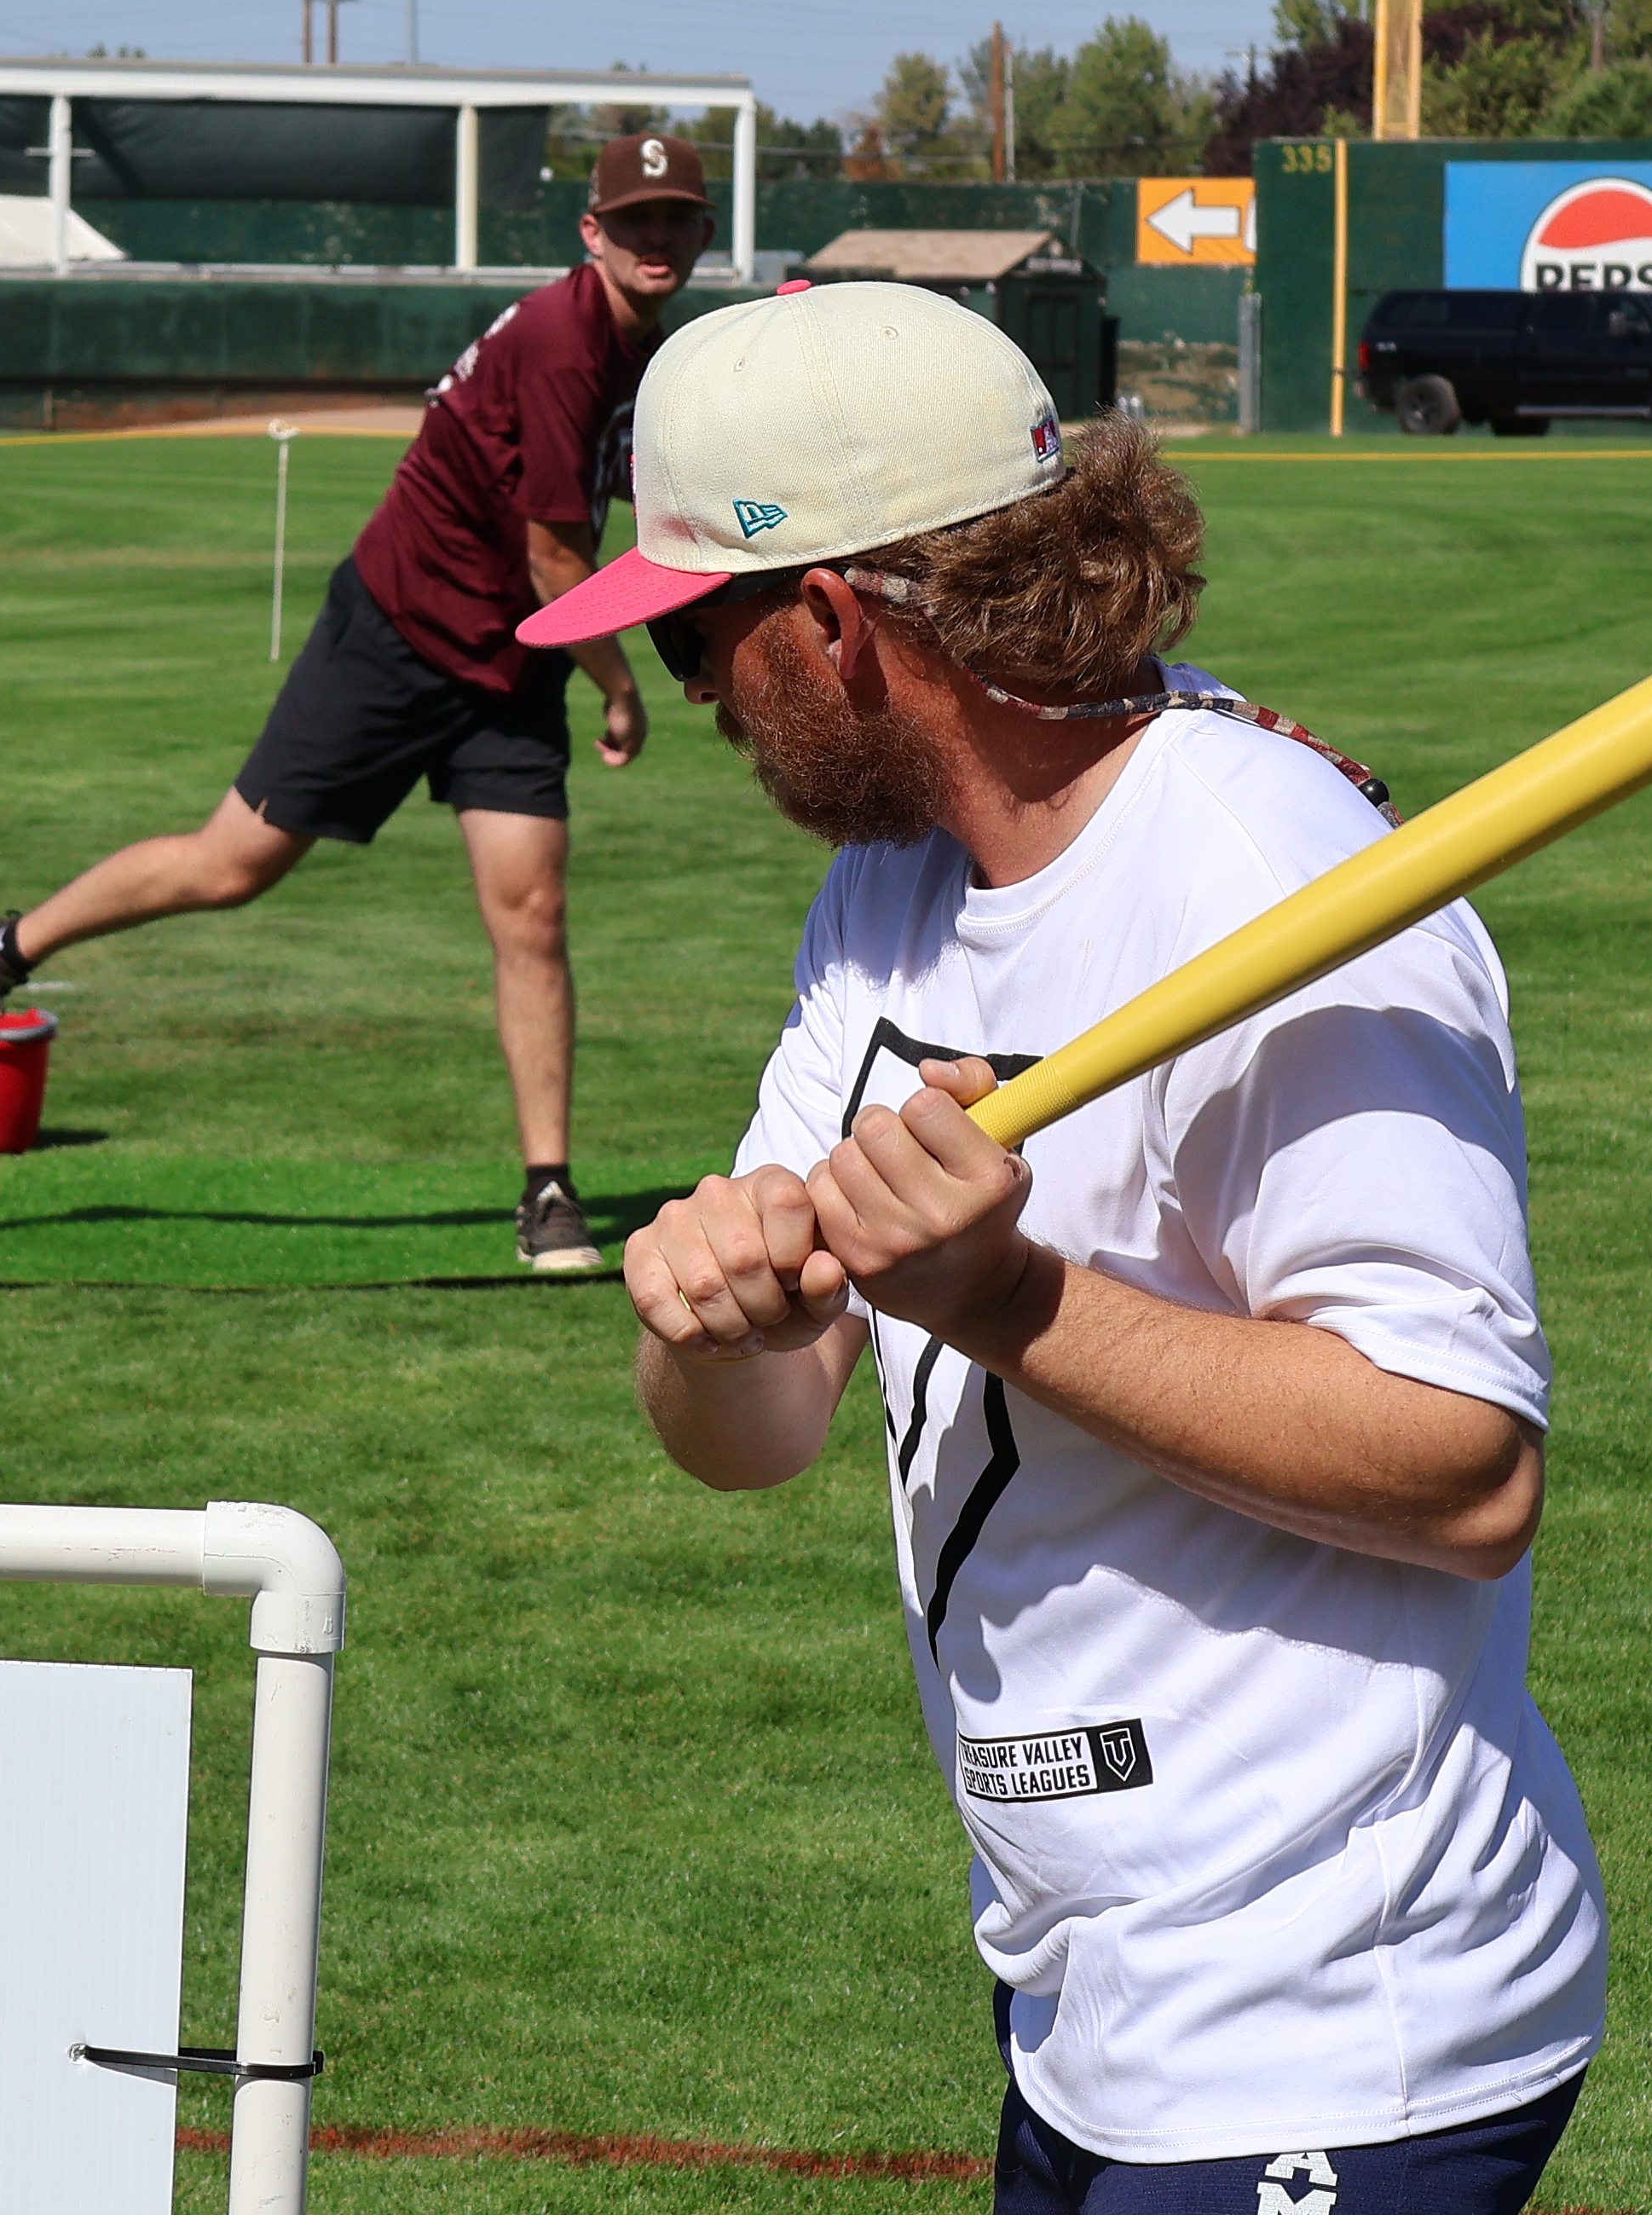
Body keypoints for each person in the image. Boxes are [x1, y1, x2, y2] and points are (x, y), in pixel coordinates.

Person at [586, 280, 1600, 2212]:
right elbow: (765, 1423)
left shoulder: (1283, 885)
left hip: (1334, 2007)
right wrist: (707, 1322)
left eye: (697, 629)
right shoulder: (890, 900)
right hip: (1087, 1988)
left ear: (829, 616)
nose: (684, 690)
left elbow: (1466, 1466)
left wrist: (1010, 1300)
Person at [0, 131, 719, 1272]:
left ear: (702, 231)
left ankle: (547, 1193)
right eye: (636, 221)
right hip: (400, 626)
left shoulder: (648, 349)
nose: (658, 240)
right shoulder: (565, 341)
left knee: (531, 913)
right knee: (231, 866)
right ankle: (4, 947)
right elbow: (554, 559)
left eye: (677, 219)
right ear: (593, 235)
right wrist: (625, 685)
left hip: (513, 659)